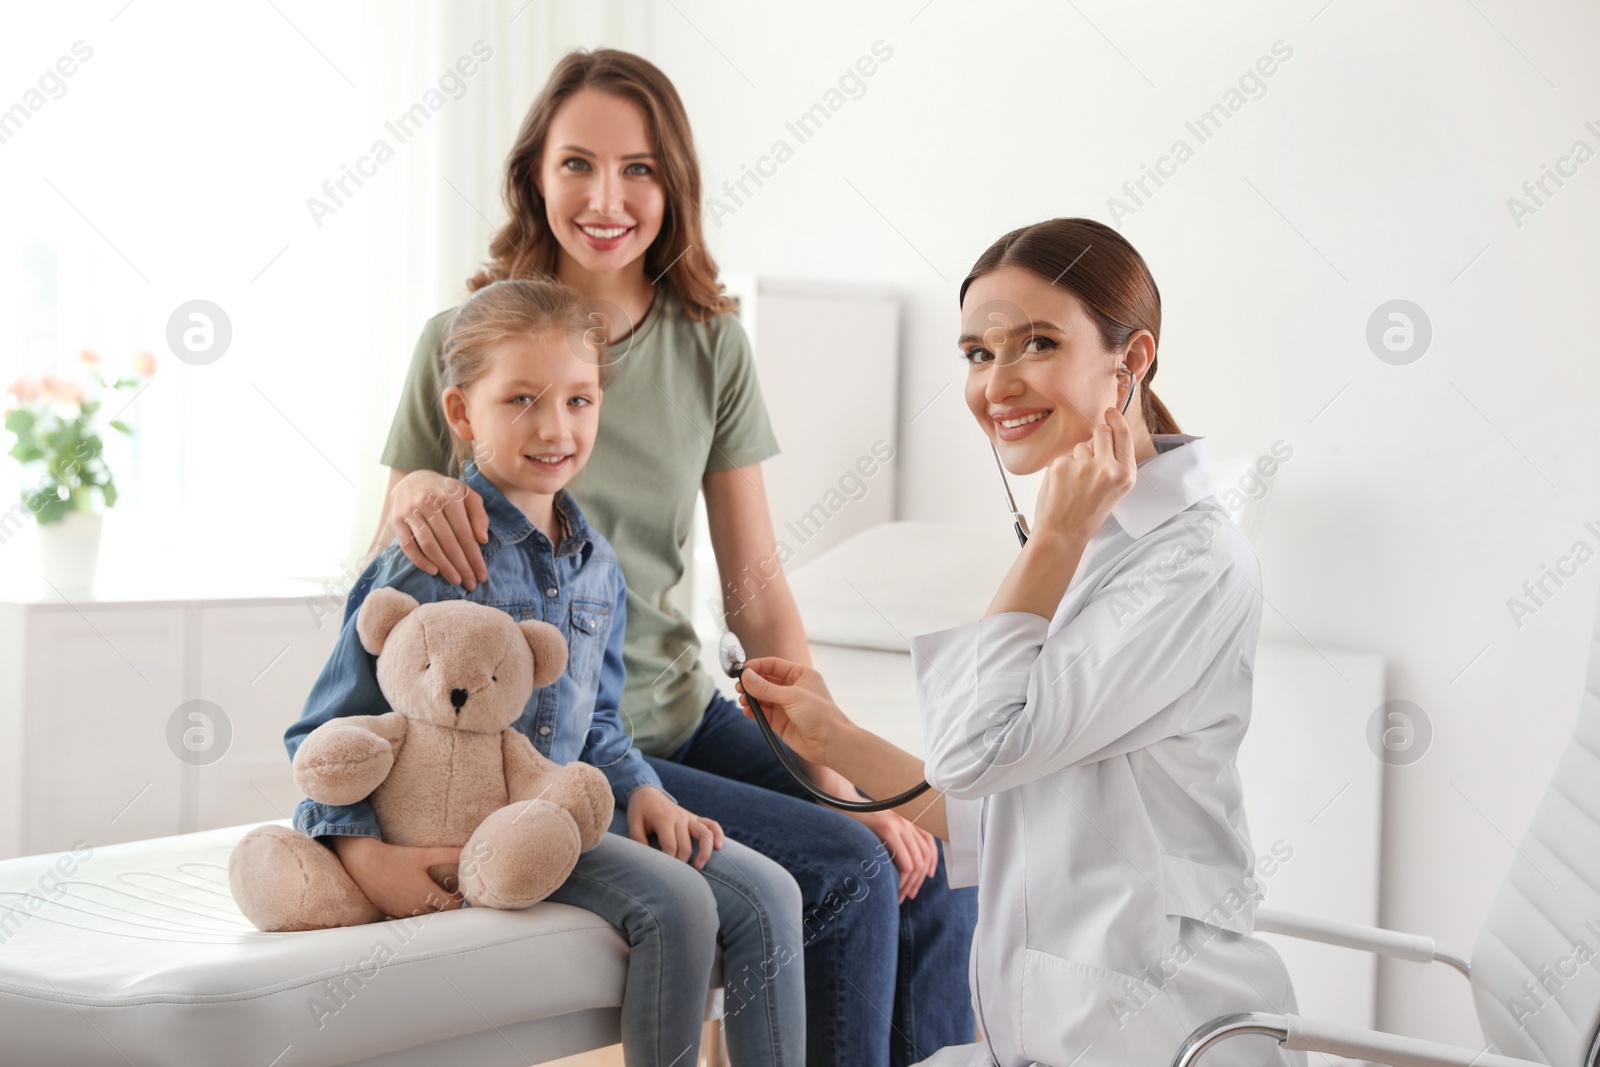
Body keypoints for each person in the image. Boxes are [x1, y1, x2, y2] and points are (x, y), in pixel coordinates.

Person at [374, 49, 978, 1066]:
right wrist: (421, 493)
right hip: (563, 738)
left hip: (685, 711)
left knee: (927, 858)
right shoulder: (461, 339)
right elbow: (394, 538)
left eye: (639, 169)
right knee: (844, 868)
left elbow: (756, 589)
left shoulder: (710, 344)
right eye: (577, 164)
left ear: (674, 185)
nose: (607, 198)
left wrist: (828, 770)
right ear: (534, 175)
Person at [731, 218, 1306, 1066]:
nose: (996, 383)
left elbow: (976, 754)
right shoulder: (1103, 542)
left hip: (1155, 1037)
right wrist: (836, 738)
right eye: (975, 353)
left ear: (1131, 359)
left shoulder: (1191, 565)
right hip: (1054, 1032)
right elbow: (1004, 811)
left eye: (1036, 342)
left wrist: (1052, 540)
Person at [285, 277, 806, 1066]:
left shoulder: (598, 567)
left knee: (773, 894)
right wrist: (360, 852)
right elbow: (327, 730)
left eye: (578, 400)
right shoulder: (428, 556)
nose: (554, 426)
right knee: (677, 905)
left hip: (559, 807)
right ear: (462, 414)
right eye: (521, 399)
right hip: (470, 828)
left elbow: (596, 723)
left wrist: (647, 791)